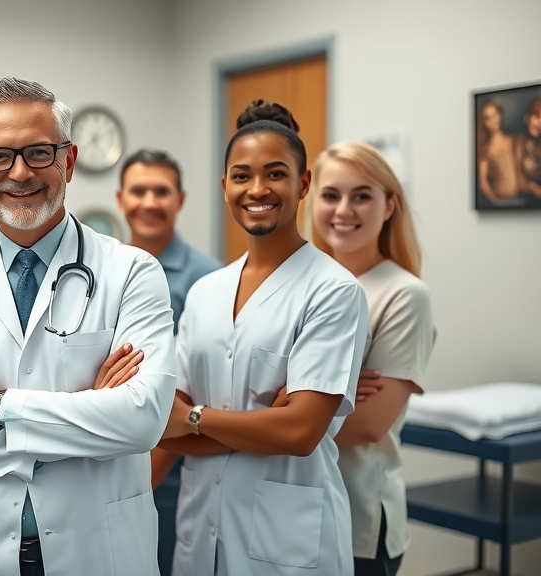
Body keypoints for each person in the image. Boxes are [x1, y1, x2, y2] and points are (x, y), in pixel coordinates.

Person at [0, 77, 176, 576]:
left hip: (98, 552)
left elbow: (142, 420)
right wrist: (83, 423)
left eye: (39, 153)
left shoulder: (132, 272)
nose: (20, 172)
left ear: (69, 160)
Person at [155, 100, 369, 576]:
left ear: (304, 183)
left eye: (275, 174)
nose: (257, 189)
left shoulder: (333, 291)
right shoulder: (205, 291)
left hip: (285, 542)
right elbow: (165, 426)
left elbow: (299, 434)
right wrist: (261, 424)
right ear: (224, 187)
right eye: (241, 176)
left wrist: (195, 417)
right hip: (200, 532)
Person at [310, 141, 435, 576]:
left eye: (361, 195)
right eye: (331, 195)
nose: (344, 209)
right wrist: (301, 401)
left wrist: (285, 406)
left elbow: (368, 424)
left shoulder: (404, 295)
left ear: (390, 206)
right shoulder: (302, 284)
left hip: (357, 520)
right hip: (287, 510)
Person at [114, 148, 220, 576]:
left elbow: (191, 393)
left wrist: (139, 487)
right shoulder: (100, 271)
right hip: (103, 464)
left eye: (161, 191)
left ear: (181, 200)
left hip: (169, 476)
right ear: (120, 199)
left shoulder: (208, 282)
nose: (150, 202)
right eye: (138, 191)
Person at [475, 100, 519, 202]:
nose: (492, 120)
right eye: (487, 118)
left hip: (521, 199)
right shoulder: (485, 149)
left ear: (500, 114)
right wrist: (496, 202)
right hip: (501, 200)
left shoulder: (513, 140)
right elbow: (483, 183)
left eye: (494, 115)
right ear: (483, 122)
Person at [515, 95, 541, 199]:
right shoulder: (520, 140)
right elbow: (519, 177)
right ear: (527, 117)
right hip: (529, 191)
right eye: (536, 116)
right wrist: (531, 187)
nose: (539, 121)